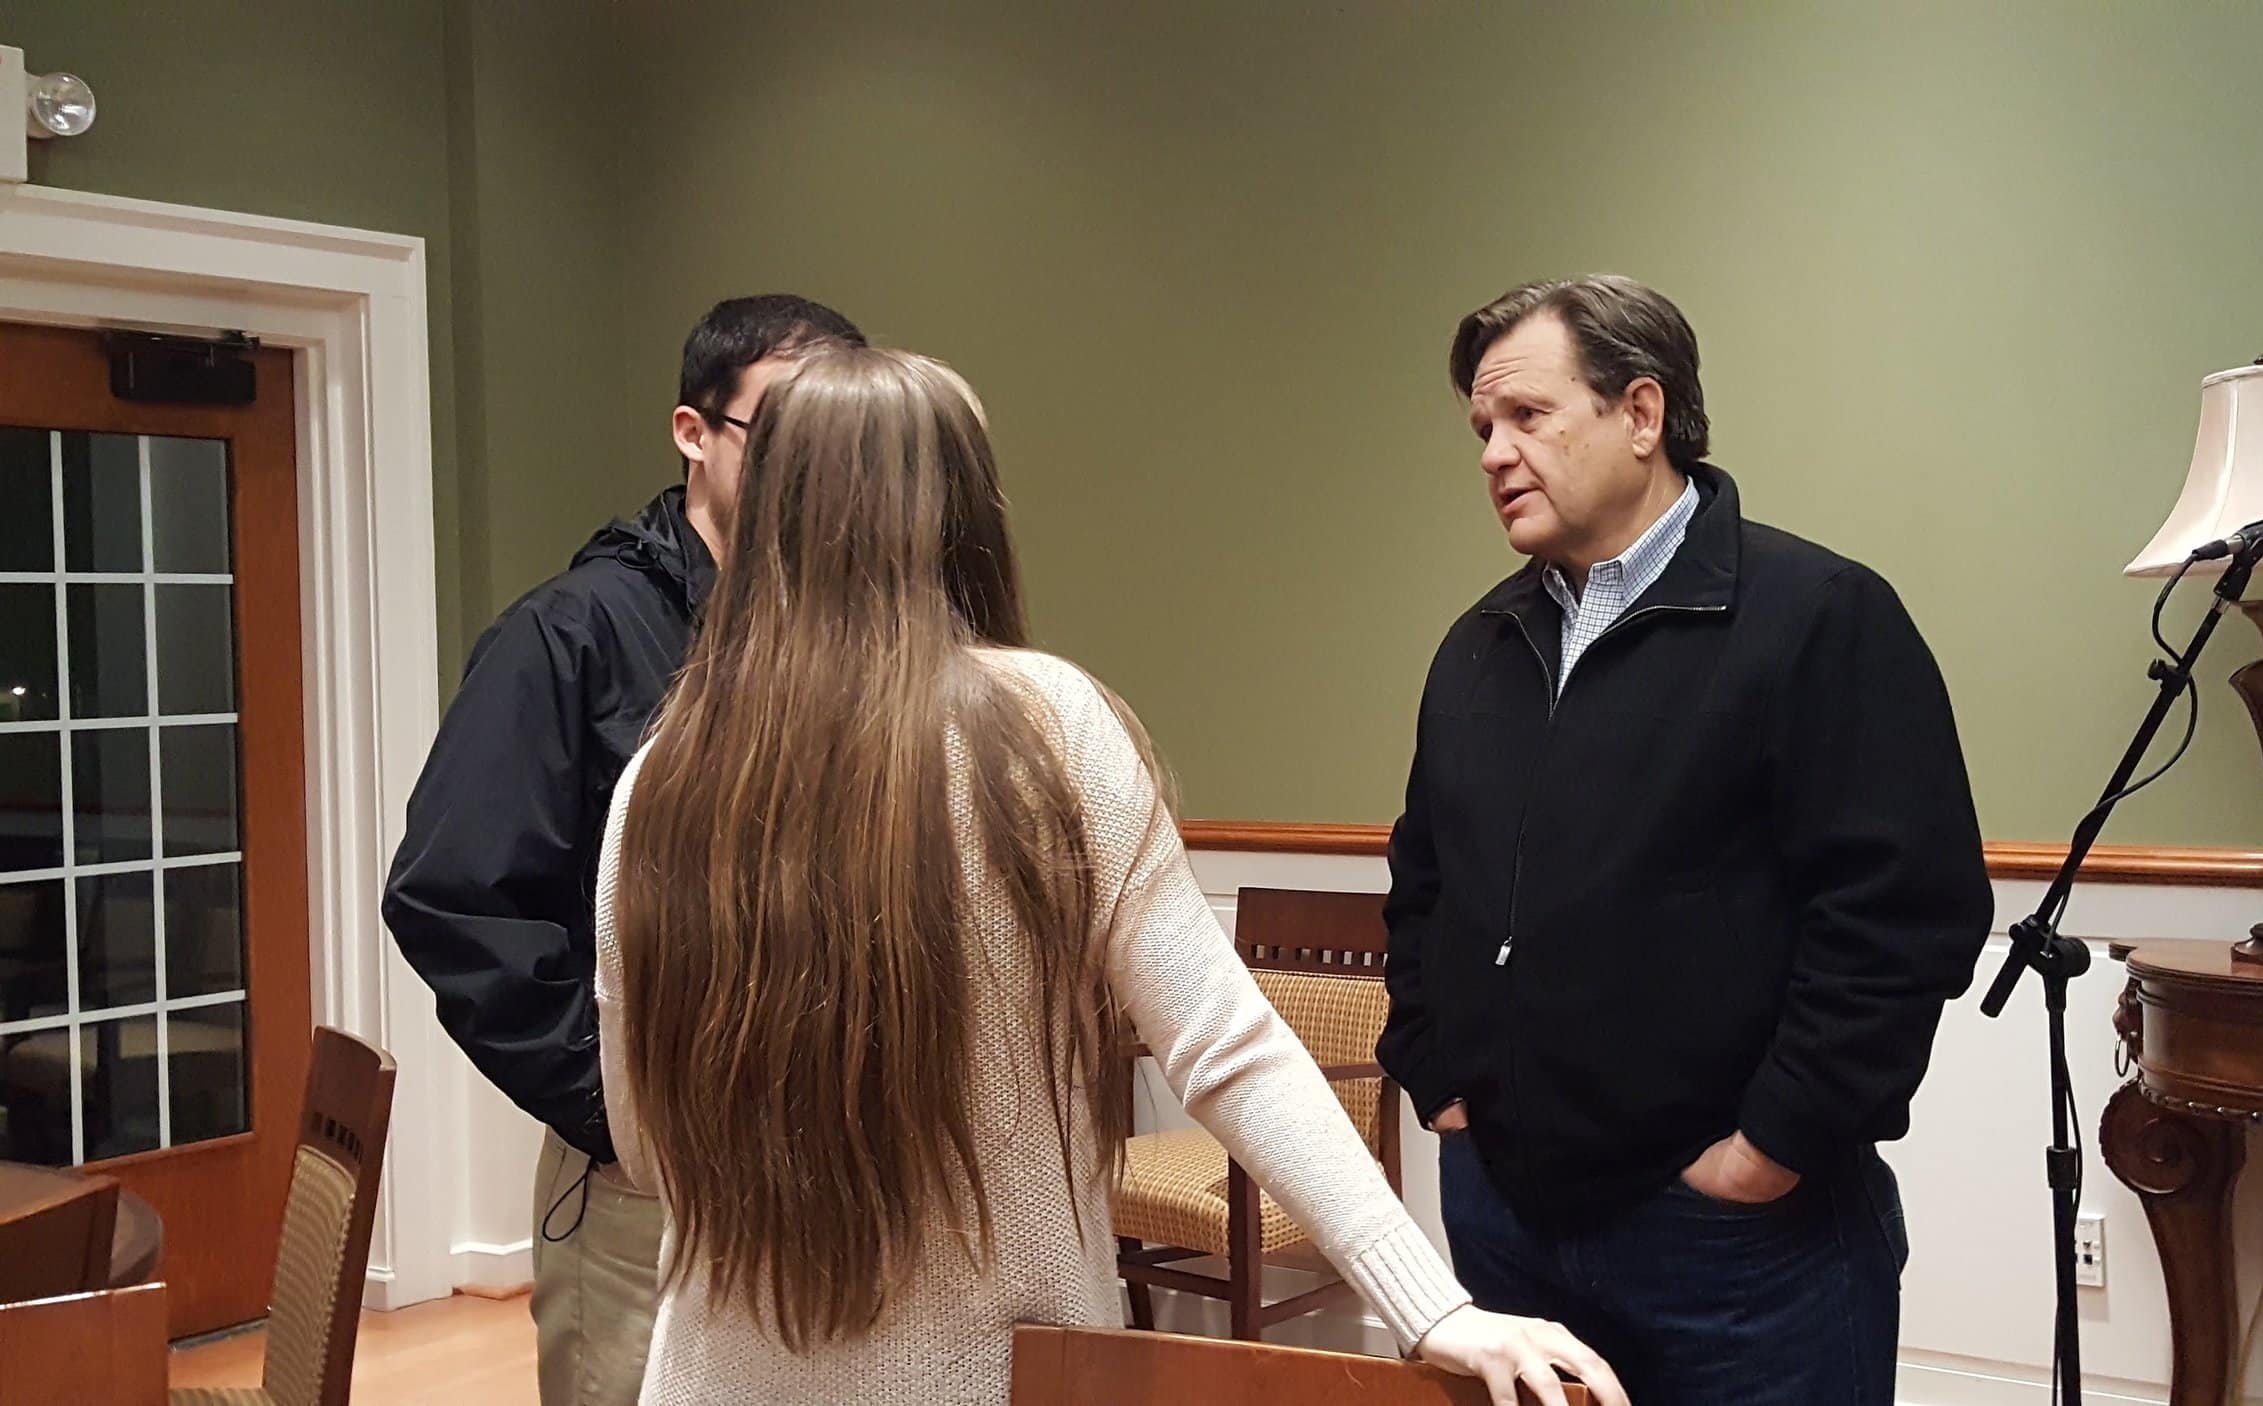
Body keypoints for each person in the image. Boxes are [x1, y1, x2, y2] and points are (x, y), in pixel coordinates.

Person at [592, 349, 1627, 1406]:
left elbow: (639, 1133)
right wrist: (1430, 1304)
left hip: (710, 1373)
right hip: (994, 1375)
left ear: (768, 515)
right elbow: (1226, 1043)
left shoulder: (664, 770)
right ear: (958, 509)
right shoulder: (1041, 727)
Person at [1377, 275, 1994, 1405]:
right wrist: (1436, 1078)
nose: (1492, 453)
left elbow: (1904, 914)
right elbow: (1423, 882)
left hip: (1736, 1245)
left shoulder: (1818, 615)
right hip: (1507, 1225)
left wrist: (1767, 1150)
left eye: (1526, 417)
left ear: (1642, 414)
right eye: (1480, 428)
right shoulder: (1478, 646)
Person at [382, 295, 866, 1406]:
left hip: (827, 1177)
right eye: (784, 433)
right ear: (694, 432)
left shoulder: (844, 634)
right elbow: (453, 897)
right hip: (648, 1191)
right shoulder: (569, 633)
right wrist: (624, 1117)